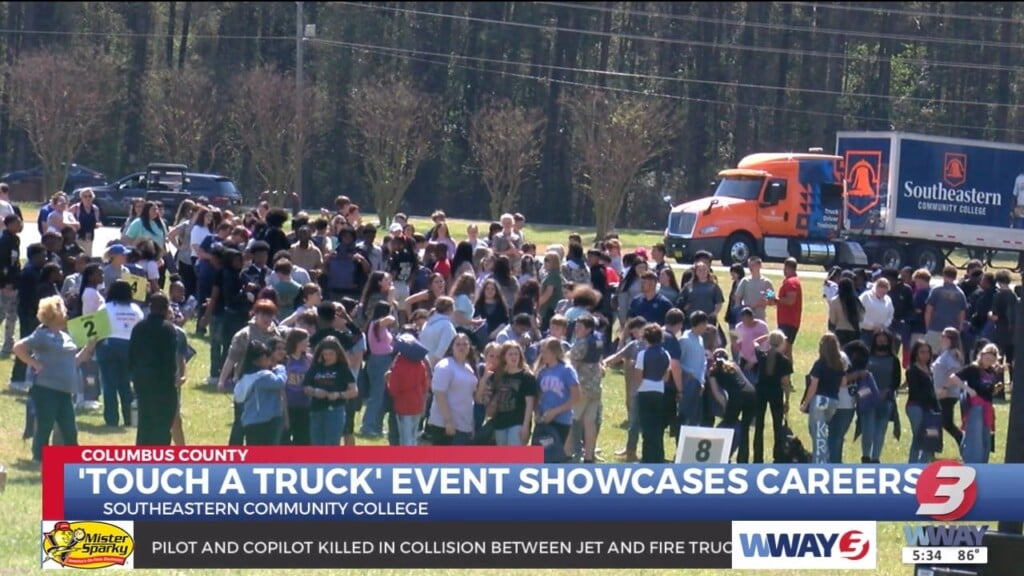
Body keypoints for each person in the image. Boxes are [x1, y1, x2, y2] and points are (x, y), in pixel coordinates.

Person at [13, 296, 97, 463]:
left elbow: (74, 361)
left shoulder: (65, 336)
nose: (67, 313)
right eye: (64, 310)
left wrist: (89, 347)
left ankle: (74, 460)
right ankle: (39, 458)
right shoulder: (41, 334)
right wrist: (34, 363)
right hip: (46, 389)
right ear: (54, 314)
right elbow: (19, 347)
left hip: (65, 390)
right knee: (45, 425)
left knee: (70, 429)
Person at [129, 292, 179, 445]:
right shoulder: (168, 329)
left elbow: (131, 354)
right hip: (162, 382)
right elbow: (170, 358)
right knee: (163, 421)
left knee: (145, 419)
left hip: (142, 380)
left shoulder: (138, 327)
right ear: (166, 309)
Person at [948, 343, 1000, 463]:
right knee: (975, 437)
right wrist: (968, 389)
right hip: (975, 406)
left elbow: (987, 390)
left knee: (986, 437)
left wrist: (995, 389)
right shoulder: (973, 369)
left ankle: (983, 463)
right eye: (987, 359)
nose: (988, 362)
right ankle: (972, 463)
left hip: (987, 406)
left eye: (992, 360)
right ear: (981, 356)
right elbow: (953, 377)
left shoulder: (991, 371)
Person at [304, 336, 359, 446]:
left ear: (337, 353)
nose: (328, 357)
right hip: (317, 408)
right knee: (316, 443)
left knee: (331, 443)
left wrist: (339, 395)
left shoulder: (342, 368)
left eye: (331, 354)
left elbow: (354, 390)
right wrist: (315, 392)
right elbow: (306, 387)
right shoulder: (316, 368)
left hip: (335, 410)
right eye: (325, 354)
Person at [801, 333, 846, 464]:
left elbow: (813, 386)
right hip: (833, 401)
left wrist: (805, 403)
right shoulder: (840, 363)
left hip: (820, 400)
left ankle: (819, 465)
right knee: (821, 432)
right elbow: (843, 383)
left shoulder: (820, 364)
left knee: (818, 437)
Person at [483, 341, 537, 446]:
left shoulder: (527, 376)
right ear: (504, 357)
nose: (514, 357)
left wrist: (526, 426)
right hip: (500, 422)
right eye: (510, 354)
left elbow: (530, 404)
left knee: (513, 458)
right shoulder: (499, 376)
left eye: (516, 354)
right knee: (503, 459)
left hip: (518, 422)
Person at [707, 349, 757, 463]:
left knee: (728, 425)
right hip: (752, 394)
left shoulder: (713, 371)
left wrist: (726, 409)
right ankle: (742, 461)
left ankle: (723, 454)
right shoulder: (734, 365)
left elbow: (718, 394)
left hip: (737, 396)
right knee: (745, 429)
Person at [534, 337, 580, 459]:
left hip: (562, 419)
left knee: (553, 454)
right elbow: (539, 394)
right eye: (541, 351)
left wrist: (556, 411)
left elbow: (576, 397)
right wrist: (538, 412)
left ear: (554, 352)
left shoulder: (567, 370)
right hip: (544, 419)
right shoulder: (542, 371)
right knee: (540, 455)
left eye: (545, 351)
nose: (542, 355)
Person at [235, 340, 288, 445]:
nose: (269, 361)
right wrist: (281, 369)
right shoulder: (264, 376)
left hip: (250, 421)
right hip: (267, 421)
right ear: (260, 359)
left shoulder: (245, 376)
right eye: (267, 358)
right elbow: (280, 382)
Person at [430, 333, 479, 445]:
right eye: (458, 344)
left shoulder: (468, 367)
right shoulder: (445, 366)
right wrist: (448, 421)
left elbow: (469, 397)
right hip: (444, 425)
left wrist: (471, 424)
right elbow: (439, 394)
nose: (462, 347)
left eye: (465, 344)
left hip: (464, 424)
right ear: (451, 347)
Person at [752, 330, 792, 463]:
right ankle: (778, 455)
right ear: (781, 343)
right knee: (777, 426)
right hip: (776, 393)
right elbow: (785, 384)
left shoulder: (762, 356)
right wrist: (787, 401)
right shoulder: (785, 361)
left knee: (759, 426)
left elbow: (755, 342)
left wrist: (767, 337)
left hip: (760, 392)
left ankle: (758, 457)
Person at [906, 340, 939, 463]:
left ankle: (922, 465)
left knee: (930, 439)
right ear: (916, 353)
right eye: (922, 352)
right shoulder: (912, 370)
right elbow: (915, 392)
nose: (925, 355)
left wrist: (936, 408)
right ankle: (912, 465)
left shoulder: (929, 369)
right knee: (919, 437)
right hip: (915, 407)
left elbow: (931, 391)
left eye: (927, 352)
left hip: (929, 408)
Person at [931, 327, 964, 447]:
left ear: (951, 339)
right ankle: (932, 448)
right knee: (936, 422)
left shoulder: (953, 354)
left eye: (944, 336)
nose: (941, 338)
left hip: (947, 393)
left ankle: (963, 441)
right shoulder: (945, 352)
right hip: (939, 393)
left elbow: (955, 373)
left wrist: (944, 387)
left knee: (947, 423)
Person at [281, 328, 313, 445]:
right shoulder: (285, 360)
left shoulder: (309, 359)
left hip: (304, 404)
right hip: (287, 404)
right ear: (297, 342)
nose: (307, 344)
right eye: (305, 341)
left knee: (304, 439)